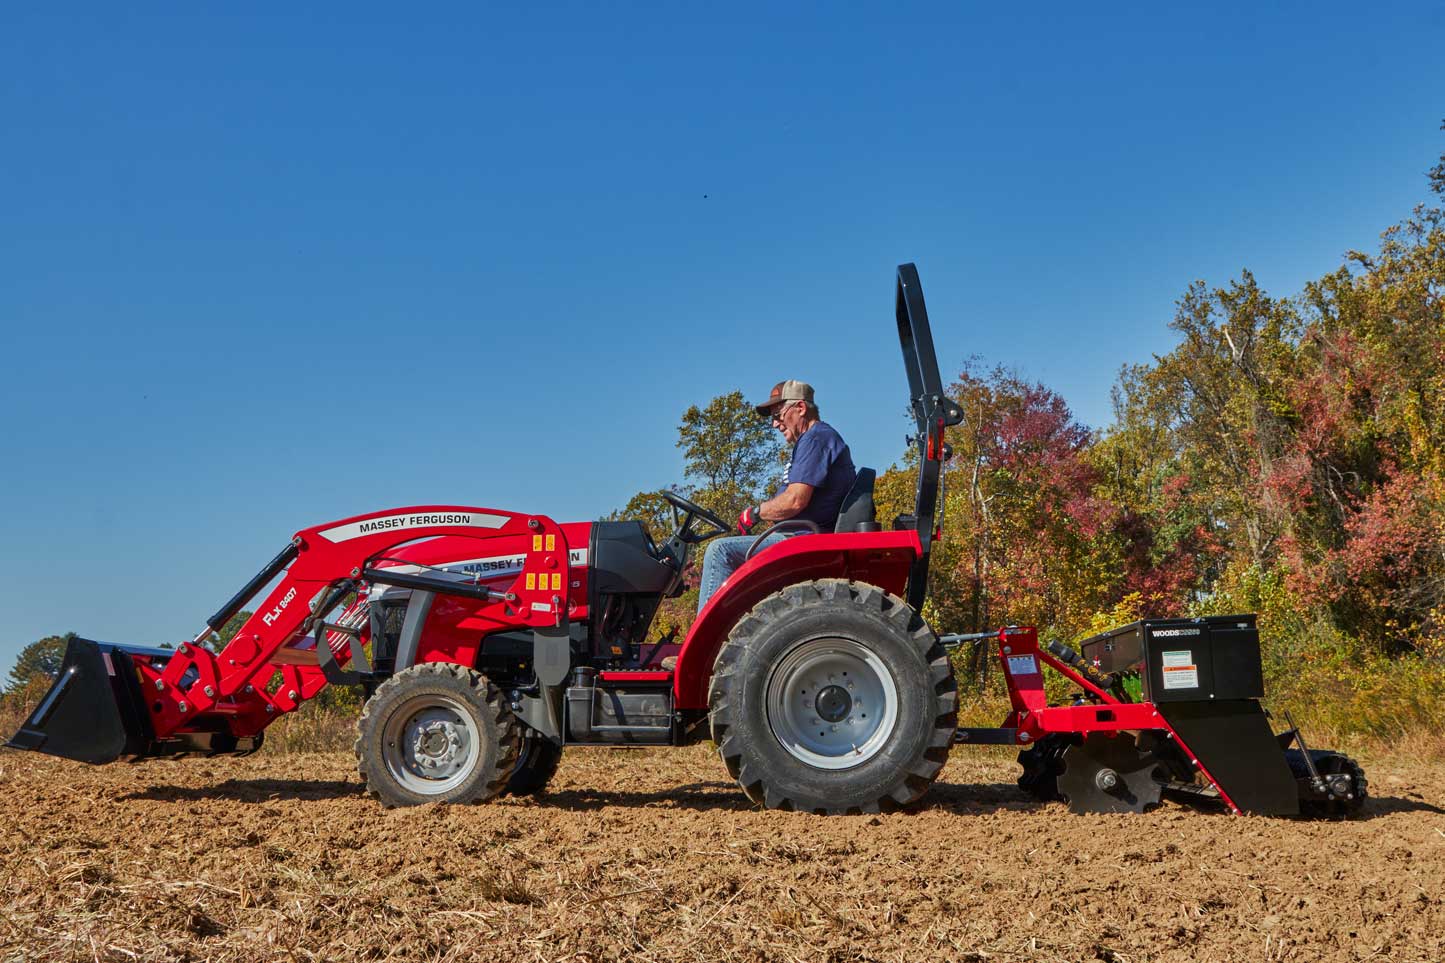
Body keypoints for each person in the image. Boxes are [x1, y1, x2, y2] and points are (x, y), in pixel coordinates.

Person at [696, 380, 856, 611]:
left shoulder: (816, 438)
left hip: (804, 539)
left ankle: (707, 643)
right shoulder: (814, 440)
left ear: (800, 408)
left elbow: (795, 500)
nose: (774, 424)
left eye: (779, 415)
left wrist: (755, 513)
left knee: (720, 552)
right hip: (801, 535)